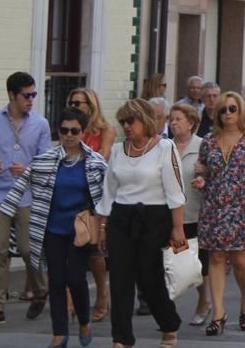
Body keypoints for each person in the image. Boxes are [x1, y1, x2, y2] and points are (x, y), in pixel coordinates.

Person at [0, 107, 107, 347]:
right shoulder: (45, 160)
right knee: (56, 280)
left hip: (81, 231)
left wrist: (104, 226)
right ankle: (59, 333)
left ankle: (84, 320)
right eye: (64, 130)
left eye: (74, 130)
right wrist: (5, 211)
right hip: (51, 229)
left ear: (83, 132)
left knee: (77, 278)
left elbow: (106, 196)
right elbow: (22, 184)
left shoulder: (95, 162)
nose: (68, 135)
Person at [97, 98, 187, 348]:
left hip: (154, 218)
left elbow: (175, 191)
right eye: (123, 121)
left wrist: (177, 228)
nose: (127, 126)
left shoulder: (164, 148)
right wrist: (102, 226)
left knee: (150, 278)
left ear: (145, 121)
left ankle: (169, 325)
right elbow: (109, 190)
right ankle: (121, 339)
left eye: (131, 121)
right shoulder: (117, 150)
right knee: (120, 279)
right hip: (121, 218)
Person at [192, 91, 245, 335]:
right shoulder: (209, 140)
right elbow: (203, 171)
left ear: (241, 111)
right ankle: (218, 312)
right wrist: (200, 178)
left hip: (242, 207)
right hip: (214, 207)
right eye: (223, 109)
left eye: (232, 109)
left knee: (239, 259)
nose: (227, 113)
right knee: (215, 258)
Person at [0, 71, 51, 324]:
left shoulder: (40, 124)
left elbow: (47, 161)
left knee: (28, 249)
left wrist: (28, 170)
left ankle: (40, 291)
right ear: (12, 95)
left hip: (26, 195)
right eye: (26, 95)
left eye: (34, 94)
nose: (31, 99)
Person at [66, 87, 114, 321]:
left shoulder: (105, 130)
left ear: (90, 106)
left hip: (94, 195)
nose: (74, 106)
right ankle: (70, 301)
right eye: (72, 102)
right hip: (72, 193)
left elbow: (101, 157)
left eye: (79, 103)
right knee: (71, 247)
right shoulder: (70, 129)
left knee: (94, 252)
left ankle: (102, 295)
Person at [167, 103, 211, 327]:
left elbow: (215, 176)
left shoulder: (203, 146)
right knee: (173, 263)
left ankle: (203, 302)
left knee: (197, 264)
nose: (173, 123)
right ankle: (168, 310)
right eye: (171, 119)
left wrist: (204, 179)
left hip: (196, 214)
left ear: (191, 123)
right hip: (171, 215)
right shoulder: (166, 147)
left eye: (178, 119)